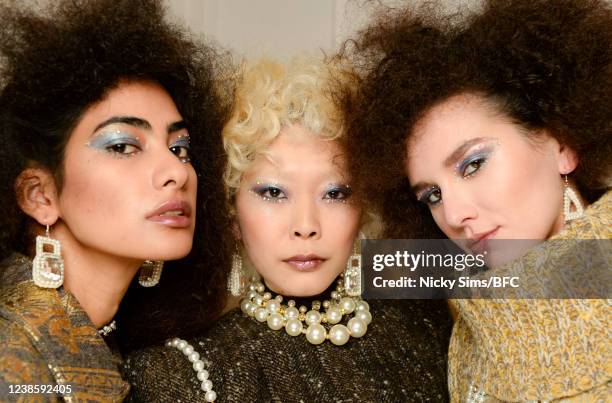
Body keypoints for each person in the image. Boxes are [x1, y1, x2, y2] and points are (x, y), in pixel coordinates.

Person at [124, 58, 453, 402]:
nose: (306, 227)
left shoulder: (427, 329)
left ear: (363, 209)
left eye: (334, 194)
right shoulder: (176, 374)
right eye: (274, 193)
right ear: (231, 214)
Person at [339, 0, 611, 401]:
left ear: (562, 142)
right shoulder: (468, 333)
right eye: (432, 195)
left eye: (473, 165)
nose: (453, 214)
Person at [0, 0, 232, 400]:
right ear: (40, 196)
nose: (176, 172)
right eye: (123, 145)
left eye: (180, 148)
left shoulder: (113, 339)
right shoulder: (13, 357)